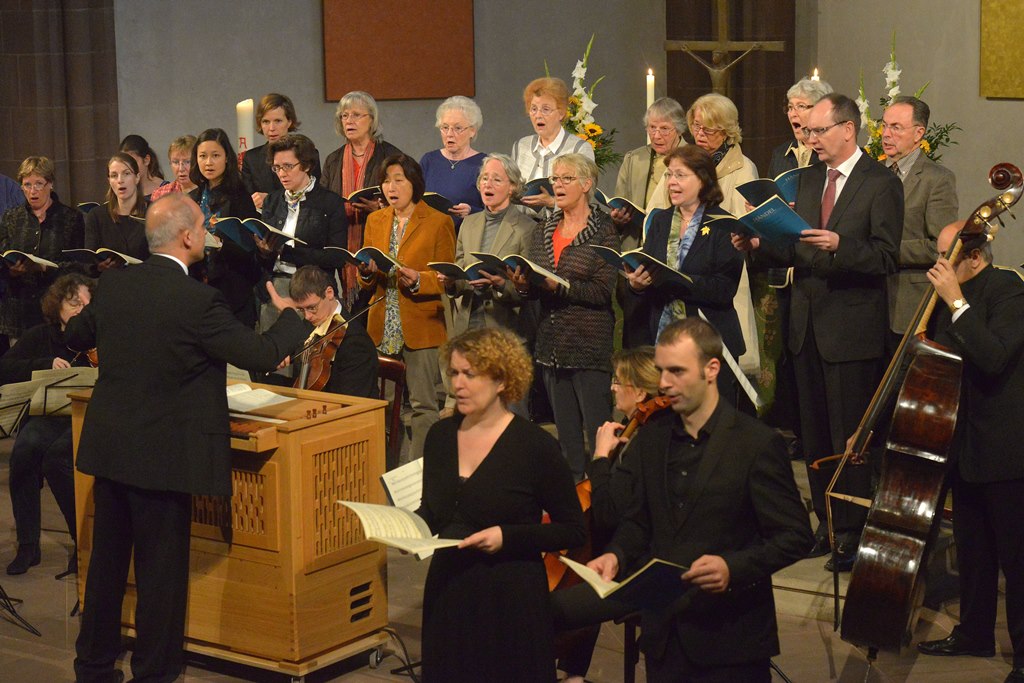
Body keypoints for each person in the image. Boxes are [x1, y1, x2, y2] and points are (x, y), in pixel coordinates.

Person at [69, 193, 311, 683]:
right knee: (160, 576)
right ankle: (154, 674)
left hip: (112, 449)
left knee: (106, 566)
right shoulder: (197, 301)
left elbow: (75, 334)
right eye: (202, 226)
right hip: (164, 457)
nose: (206, 233)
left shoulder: (114, 285)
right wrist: (291, 316)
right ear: (185, 237)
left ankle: (92, 666)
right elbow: (261, 354)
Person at [587, 318, 813, 682]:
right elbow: (638, 521)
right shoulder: (651, 439)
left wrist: (732, 568)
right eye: (662, 371)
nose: (664, 383)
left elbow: (796, 535)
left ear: (712, 369)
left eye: (677, 371)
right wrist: (617, 554)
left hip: (731, 641)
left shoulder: (755, 443)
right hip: (665, 638)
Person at [732, 93, 902, 571]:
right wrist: (757, 243)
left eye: (818, 130)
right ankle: (826, 525)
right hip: (804, 326)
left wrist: (841, 245)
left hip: (849, 331)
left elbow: (886, 256)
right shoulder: (808, 179)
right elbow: (794, 248)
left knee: (849, 436)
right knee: (814, 435)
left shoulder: (880, 182)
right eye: (807, 132)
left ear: (848, 129)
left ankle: (852, 529)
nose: (810, 139)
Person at [417, 327, 586, 681]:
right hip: (449, 591)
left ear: (501, 381)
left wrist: (507, 537)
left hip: (509, 597)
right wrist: (406, 528)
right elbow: (434, 512)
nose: (458, 384)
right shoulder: (440, 437)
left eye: (470, 374)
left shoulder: (535, 447)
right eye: (454, 372)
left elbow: (572, 530)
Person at [916, 223, 1024, 683]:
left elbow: (994, 357)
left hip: (1005, 446)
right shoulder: (944, 299)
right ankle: (975, 633)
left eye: (947, 254)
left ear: (974, 257)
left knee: (1017, 560)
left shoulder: (1008, 291)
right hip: (960, 442)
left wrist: (957, 302)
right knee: (974, 553)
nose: (937, 264)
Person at [555, 345, 663, 683]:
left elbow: (607, 515)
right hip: (626, 556)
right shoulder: (640, 430)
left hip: (636, 569)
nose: (612, 388)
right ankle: (573, 673)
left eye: (618, 381)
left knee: (546, 607)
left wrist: (600, 458)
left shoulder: (647, 442)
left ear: (641, 392)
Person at [511, 153, 616, 482]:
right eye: (555, 178)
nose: (557, 184)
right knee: (568, 445)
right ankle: (573, 505)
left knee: (599, 441)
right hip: (551, 347)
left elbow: (602, 292)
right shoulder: (544, 229)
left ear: (586, 184)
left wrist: (561, 287)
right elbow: (535, 289)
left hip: (588, 346)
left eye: (566, 178)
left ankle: (603, 500)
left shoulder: (604, 231)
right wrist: (524, 286)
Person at [626, 144, 746, 408]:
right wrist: (637, 284)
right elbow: (649, 273)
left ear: (703, 179)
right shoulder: (659, 221)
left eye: (680, 175)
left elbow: (724, 289)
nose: (672, 182)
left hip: (708, 341)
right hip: (662, 339)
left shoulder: (724, 223)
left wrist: (677, 280)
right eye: (669, 175)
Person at [357, 153, 455, 463]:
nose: (391, 187)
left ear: (414, 183)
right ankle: (388, 466)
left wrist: (419, 280)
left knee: (423, 405)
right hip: (382, 323)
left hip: (421, 324)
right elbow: (366, 277)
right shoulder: (375, 220)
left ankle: (420, 470)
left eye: (398, 180)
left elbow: (448, 279)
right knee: (385, 403)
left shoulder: (439, 221)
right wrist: (366, 273)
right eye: (386, 181)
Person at [2, 273, 94, 576]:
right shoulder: (41, 336)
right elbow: (5, 367)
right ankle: (28, 545)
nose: (80, 309)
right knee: (24, 451)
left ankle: (82, 542)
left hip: (86, 419)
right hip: (48, 415)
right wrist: (43, 364)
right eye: (73, 303)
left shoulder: (101, 337)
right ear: (58, 306)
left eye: (86, 304)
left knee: (58, 460)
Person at [882, 96, 959, 347]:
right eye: (884, 125)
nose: (886, 134)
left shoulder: (937, 179)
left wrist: (885, 251)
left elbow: (941, 247)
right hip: (869, 301)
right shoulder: (873, 174)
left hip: (908, 303)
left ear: (919, 133)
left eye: (896, 127)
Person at [613, 97, 687, 349]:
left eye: (664, 129)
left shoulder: (692, 159)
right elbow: (620, 200)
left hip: (673, 257)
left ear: (679, 129)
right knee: (636, 342)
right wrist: (618, 218)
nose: (656, 135)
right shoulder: (635, 159)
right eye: (652, 128)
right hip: (636, 255)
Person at [256, 133, 347, 332]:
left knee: (310, 350)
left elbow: (337, 257)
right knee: (273, 349)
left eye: (288, 166)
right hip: (276, 287)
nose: (282, 173)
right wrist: (264, 251)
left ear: (306, 165)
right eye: (277, 167)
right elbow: (264, 257)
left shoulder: (330, 202)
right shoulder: (272, 200)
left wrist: (288, 252)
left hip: (313, 290)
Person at [438, 153, 535, 339]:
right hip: (467, 325)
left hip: (503, 328)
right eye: (484, 178)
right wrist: (451, 283)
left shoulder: (527, 228)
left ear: (512, 187)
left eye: (496, 180)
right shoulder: (468, 223)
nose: (488, 184)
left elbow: (529, 289)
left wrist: (501, 285)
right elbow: (461, 270)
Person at [322, 91, 403, 305]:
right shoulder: (333, 160)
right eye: (344, 116)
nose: (349, 121)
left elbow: (407, 201)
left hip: (380, 239)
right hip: (343, 240)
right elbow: (323, 202)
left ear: (372, 120)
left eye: (356, 115)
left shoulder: (390, 156)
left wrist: (381, 208)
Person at [0, 156, 84, 344]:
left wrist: (45, 268)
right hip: (19, 314)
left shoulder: (70, 218)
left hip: (55, 311)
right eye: (27, 185)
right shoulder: (11, 217)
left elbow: (78, 266)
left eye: (39, 184)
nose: (33, 191)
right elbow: (3, 257)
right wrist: (11, 270)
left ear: (50, 184)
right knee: (21, 362)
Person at [188, 127, 262, 327]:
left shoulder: (239, 196)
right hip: (198, 285)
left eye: (215, 155)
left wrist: (221, 244)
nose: (208, 162)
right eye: (202, 156)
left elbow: (249, 248)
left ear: (227, 158)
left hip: (232, 289)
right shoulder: (193, 197)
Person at [285, 264, 378, 398]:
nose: (307, 316)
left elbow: (352, 399)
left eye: (312, 308)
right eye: (301, 310)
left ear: (329, 293)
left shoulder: (355, 342)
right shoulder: (307, 326)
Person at [511, 77, 595, 215]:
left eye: (545, 109)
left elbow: (584, 199)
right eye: (533, 109)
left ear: (561, 113)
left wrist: (552, 203)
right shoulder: (520, 146)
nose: (538, 115)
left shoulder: (579, 148)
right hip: (521, 224)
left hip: (560, 224)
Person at [241, 93, 322, 211]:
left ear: (289, 122)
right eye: (266, 122)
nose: (271, 128)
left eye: (278, 121)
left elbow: (313, 194)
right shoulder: (251, 158)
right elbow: (246, 200)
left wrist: (270, 200)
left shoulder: (307, 153)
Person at [419, 96, 486, 231]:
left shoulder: (484, 164)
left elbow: (496, 212)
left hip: (467, 236)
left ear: (472, 131)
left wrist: (472, 212)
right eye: (445, 127)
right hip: (431, 235)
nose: (449, 134)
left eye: (457, 128)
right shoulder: (429, 160)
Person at [83, 153, 149, 271]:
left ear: (137, 177)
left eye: (126, 174)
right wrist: (98, 267)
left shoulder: (154, 213)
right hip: (110, 279)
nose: (120, 180)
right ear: (109, 180)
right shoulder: (96, 216)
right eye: (114, 175)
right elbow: (88, 262)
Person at [767, 78, 833, 178]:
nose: (792, 114)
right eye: (790, 107)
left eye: (801, 106)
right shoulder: (780, 154)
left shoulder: (832, 152)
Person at [149, 135, 197, 201]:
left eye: (187, 162)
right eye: (176, 162)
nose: (181, 169)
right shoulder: (160, 194)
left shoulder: (208, 192)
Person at [119, 134, 167, 198]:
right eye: (124, 163)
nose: (128, 168)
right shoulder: (122, 190)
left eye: (133, 162)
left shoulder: (167, 190)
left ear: (146, 160)